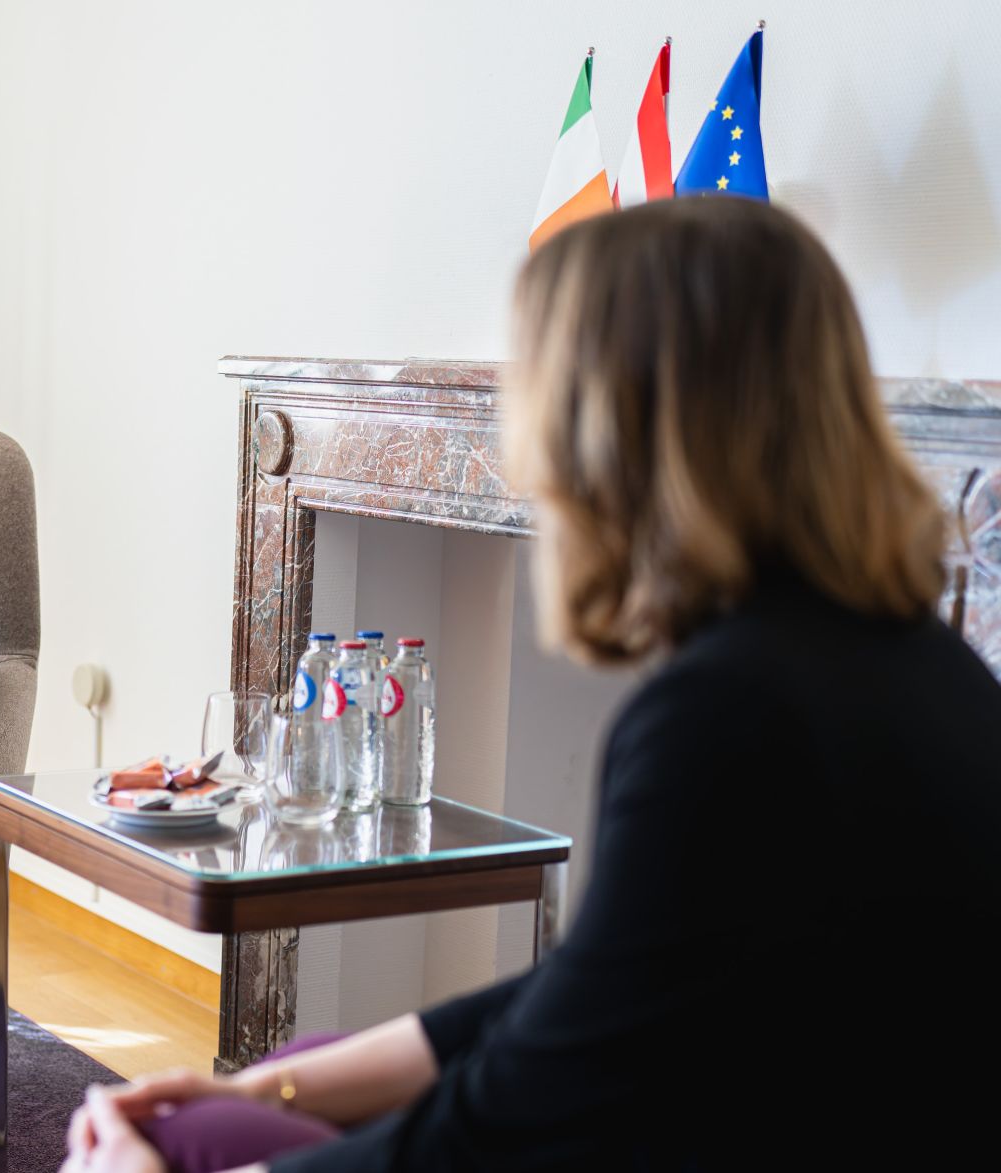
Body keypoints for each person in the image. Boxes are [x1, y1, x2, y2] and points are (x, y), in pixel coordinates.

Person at [64, 197, 1001, 1172]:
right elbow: (577, 996)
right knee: (282, 1071)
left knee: (182, 1142)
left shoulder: (728, 715)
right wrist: (267, 1086)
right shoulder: (919, 668)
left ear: (613, 433)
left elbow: (518, 1114)